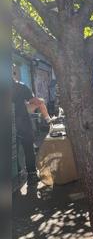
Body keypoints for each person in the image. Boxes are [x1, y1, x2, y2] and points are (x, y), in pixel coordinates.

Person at [12, 65, 52, 195]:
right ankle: (31, 175)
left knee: (13, 151)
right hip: (23, 123)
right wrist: (47, 117)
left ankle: (17, 176)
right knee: (28, 148)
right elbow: (36, 102)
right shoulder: (21, 86)